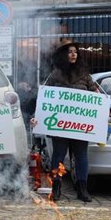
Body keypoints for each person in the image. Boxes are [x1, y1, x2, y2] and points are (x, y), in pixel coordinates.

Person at [44, 42, 99, 203]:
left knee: (81, 155)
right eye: (70, 52)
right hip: (60, 125)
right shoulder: (55, 75)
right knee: (59, 155)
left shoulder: (85, 74)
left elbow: (96, 95)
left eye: (75, 52)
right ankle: (56, 187)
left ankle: (82, 189)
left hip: (80, 126)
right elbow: (45, 96)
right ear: (63, 55)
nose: (73, 54)